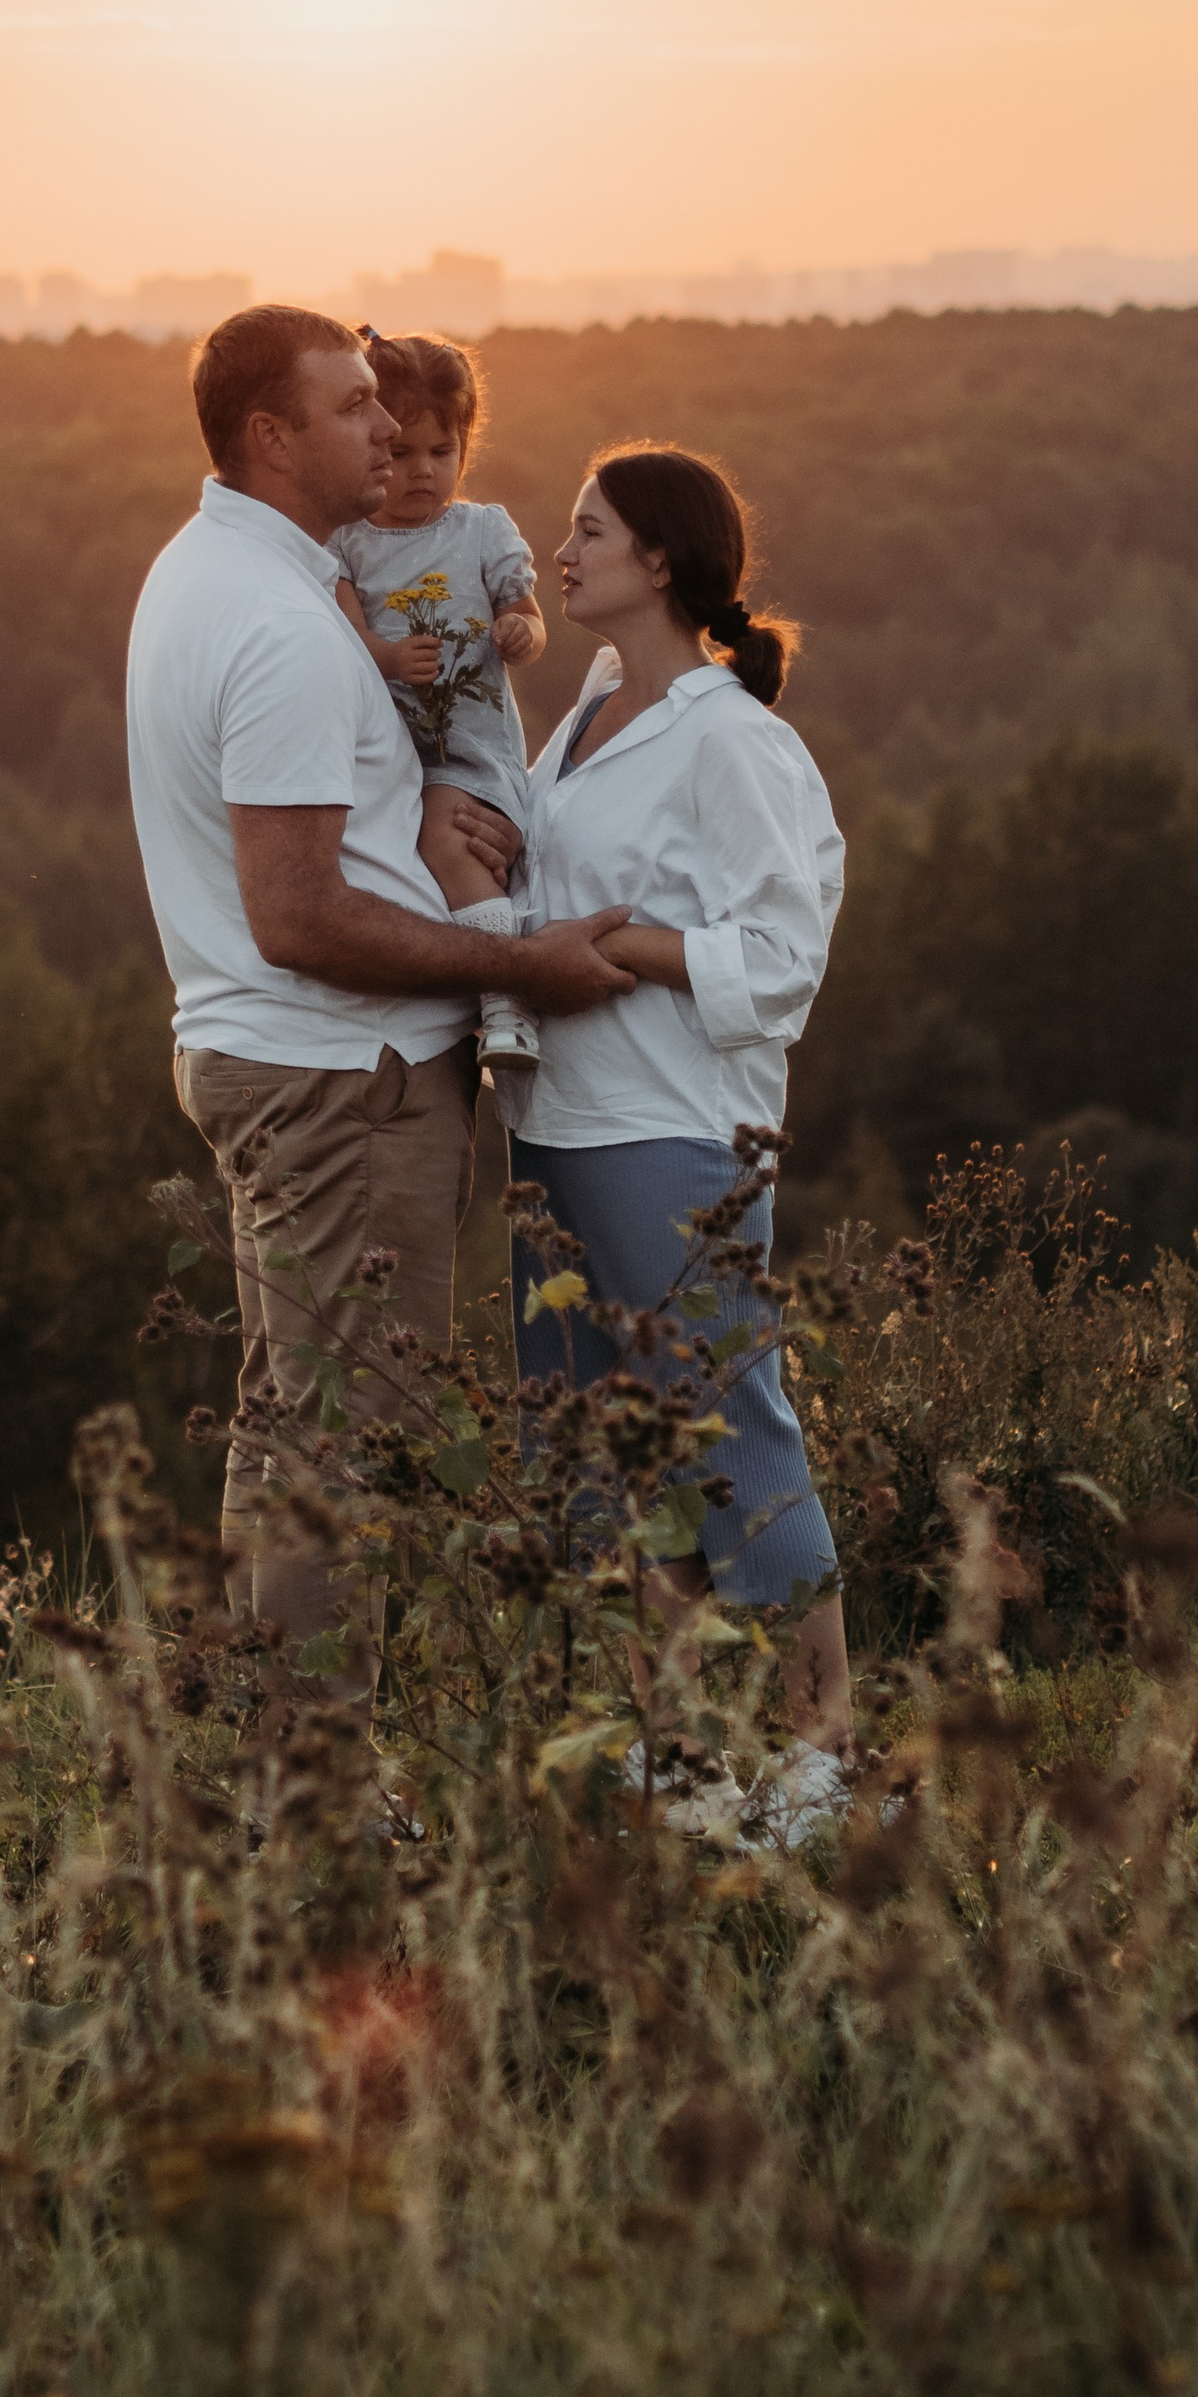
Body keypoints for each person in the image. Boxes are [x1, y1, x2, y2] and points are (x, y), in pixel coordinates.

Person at [124, 305, 637, 1693]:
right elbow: (298, 911)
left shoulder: (210, 573)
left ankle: (277, 1758)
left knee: (297, 1420)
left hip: (291, 1066)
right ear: (269, 437)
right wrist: (519, 961)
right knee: (352, 1437)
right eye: (352, 410)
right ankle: (320, 1800)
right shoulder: (282, 626)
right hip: (344, 1084)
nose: (387, 431)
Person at [498, 441, 851, 1839]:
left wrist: (617, 950)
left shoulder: (728, 739)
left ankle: (828, 1762)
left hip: (672, 1127)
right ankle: (677, 1758)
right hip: (554, 1120)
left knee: (730, 1429)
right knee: (605, 1450)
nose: (560, 551)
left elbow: (783, 954)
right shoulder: (582, 712)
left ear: (660, 561)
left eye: (587, 531)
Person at [329, 330, 548, 1078]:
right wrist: (389, 656)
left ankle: (507, 998)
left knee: (448, 841)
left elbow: (528, 613)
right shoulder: (350, 544)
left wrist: (521, 630)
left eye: (442, 451)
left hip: (467, 750)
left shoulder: (481, 530)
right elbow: (347, 635)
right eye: (403, 452)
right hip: (393, 758)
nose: (422, 471)